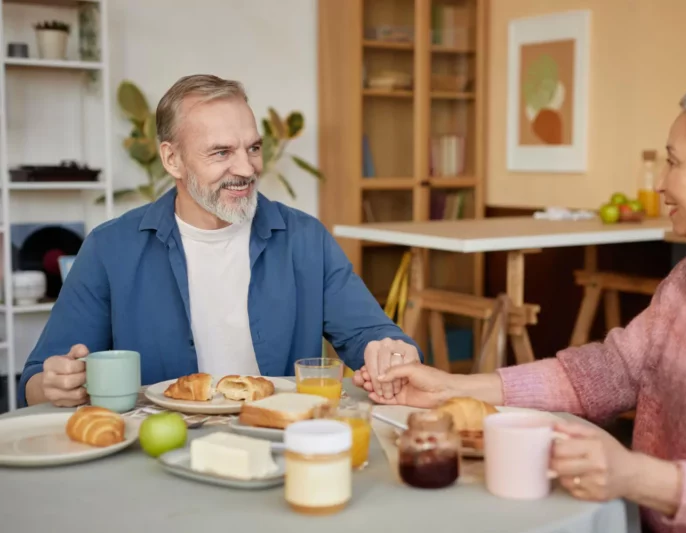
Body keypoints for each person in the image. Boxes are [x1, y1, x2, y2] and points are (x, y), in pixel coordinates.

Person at [354, 72, 686, 532]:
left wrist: (634, 475)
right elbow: (613, 371)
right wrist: (452, 387)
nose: (661, 184)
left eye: (673, 162)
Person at [20, 74, 421, 408]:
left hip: (277, 440)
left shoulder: (305, 239)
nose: (246, 168)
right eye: (221, 152)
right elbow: (38, 379)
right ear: (172, 159)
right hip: (158, 451)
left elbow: (373, 335)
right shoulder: (110, 249)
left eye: (253, 148)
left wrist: (391, 353)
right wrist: (55, 383)